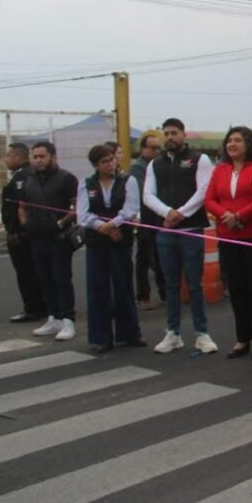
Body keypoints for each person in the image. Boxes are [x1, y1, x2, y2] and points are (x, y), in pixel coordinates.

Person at [144, 118, 218, 355]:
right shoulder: (155, 164)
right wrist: (167, 213)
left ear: (183, 135)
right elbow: (148, 195)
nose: (169, 138)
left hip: (191, 231)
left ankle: (202, 333)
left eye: (174, 133)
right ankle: (172, 333)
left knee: (195, 284)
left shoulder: (199, 159)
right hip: (165, 232)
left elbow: (203, 191)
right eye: (166, 133)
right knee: (171, 284)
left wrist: (181, 214)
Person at [205, 126, 252, 361]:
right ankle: (242, 338)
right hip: (228, 236)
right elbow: (210, 199)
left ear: (248, 143)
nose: (232, 144)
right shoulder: (221, 169)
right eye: (229, 140)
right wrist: (226, 215)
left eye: (237, 140)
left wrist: (240, 216)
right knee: (236, 288)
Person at [78, 143, 145, 353]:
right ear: (95, 165)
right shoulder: (86, 184)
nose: (109, 165)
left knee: (123, 285)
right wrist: (102, 227)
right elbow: (83, 215)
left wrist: (114, 223)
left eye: (111, 160)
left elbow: (131, 208)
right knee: (98, 288)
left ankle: (129, 333)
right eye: (104, 162)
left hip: (120, 240)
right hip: (97, 241)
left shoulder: (128, 180)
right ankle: (101, 337)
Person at [20, 141, 79, 341]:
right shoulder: (29, 179)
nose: (38, 160)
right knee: (44, 279)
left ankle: (68, 320)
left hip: (59, 238)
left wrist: (61, 224)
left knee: (61, 279)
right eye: (34, 157)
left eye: (41, 156)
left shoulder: (66, 178)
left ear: (53, 157)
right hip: (37, 238)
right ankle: (54, 317)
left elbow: (76, 207)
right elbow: (22, 206)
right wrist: (26, 224)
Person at [2, 142, 46, 323]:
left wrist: (13, 230)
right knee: (36, 272)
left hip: (21, 235)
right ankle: (43, 306)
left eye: (8, 156)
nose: (6, 160)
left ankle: (33, 308)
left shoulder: (21, 178)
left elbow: (16, 207)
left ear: (17, 157)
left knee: (26, 272)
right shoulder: (31, 175)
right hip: (30, 233)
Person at [129, 131, 165, 310]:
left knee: (160, 256)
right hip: (145, 218)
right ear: (143, 149)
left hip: (159, 217)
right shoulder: (138, 168)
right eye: (153, 148)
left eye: (159, 148)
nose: (157, 151)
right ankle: (143, 295)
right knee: (144, 257)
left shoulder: (157, 165)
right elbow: (146, 193)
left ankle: (164, 292)